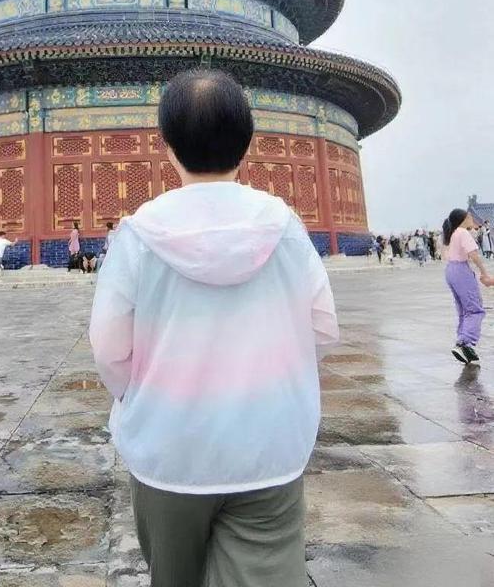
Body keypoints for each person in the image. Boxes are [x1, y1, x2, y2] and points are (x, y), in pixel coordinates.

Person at [90, 70, 339, 586]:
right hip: (270, 442)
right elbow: (322, 327)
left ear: (168, 147)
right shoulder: (285, 227)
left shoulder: (137, 235)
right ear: (247, 143)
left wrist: (139, 397)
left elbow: (109, 349)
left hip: (168, 446)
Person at [442, 208, 494, 365]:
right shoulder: (463, 232)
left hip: (451, 270)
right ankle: (465, 343)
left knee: (464, 310)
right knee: (475, 309)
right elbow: (474, 255)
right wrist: (484, 273)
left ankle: (463, 342)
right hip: (461, 270)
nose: (472, 218)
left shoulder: (453, 233)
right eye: (469, 216)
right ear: (463, 219)